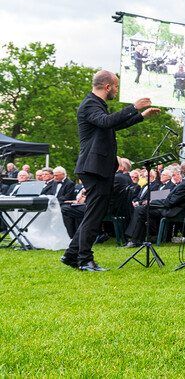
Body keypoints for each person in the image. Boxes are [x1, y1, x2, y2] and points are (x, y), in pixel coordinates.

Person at [61, 70, 160, 272]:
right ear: (107, 86)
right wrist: (133, 107)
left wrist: (140, 116)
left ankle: (72, 255)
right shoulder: (90, 104)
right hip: (94, 167)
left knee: (93, 212)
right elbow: (107, 122)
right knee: (94, 214)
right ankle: (84, 260)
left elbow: (112, 125)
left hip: (97, 167)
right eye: (115, 86)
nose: (116, 90)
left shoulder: (96, 105)